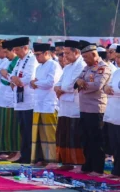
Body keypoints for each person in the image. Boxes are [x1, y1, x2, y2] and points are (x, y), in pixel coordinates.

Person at [75, 41, 111, 176]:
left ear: (93, 54)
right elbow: (77, 80)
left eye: (86, 57)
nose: (84, 60)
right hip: (84, 108)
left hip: (96, 109)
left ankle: (97, 168)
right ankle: (87, 165)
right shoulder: (87, 68)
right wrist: (80, 82)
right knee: (86, 139)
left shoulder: (103, 68)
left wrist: (83, 84)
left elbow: (97, 85)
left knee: (96, 140)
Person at [54, 40, 86, 170]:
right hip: (64, 105)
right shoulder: (67, 67)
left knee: (74, 135)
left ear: (76, 52)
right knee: (64, 134)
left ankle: (77, 163)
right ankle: (66, 162)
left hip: (75, 106)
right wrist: (57, 88)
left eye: (67, 53)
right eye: (63, 53)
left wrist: (61, 88)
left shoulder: (81, 65)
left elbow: (71, 85)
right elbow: (58, 83)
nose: (64, 56)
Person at [30, 43, 63, 166]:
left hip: (50, 104)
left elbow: (50, 83)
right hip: (39, 104)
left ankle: (53, 160)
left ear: (47, 53)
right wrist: (35, 83)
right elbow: (33, 82)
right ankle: (44, 159)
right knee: (41, 134)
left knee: (51, 135)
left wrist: (36, 83)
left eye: (38, 55)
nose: (37, 57)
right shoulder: (38, 68)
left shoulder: (54, 65)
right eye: (35, 55)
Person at [10, 37, 38, 164]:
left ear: (25, 48)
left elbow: (29, 77)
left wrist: (17, 81)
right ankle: (23, 155)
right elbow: (12, 74)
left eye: (17, 50)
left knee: (29, 130)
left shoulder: (32, 59)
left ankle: (30, 156)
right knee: (22, 129)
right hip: (19, 100)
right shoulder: (19, 60)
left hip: (29, 100)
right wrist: (13, 79)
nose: (15, 53)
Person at [0, 40, 20, 161]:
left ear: (13, 51)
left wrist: (5, 75)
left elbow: (12, 78)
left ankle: (15, 151)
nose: (5, 55)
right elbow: (1, 76)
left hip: (13, 99)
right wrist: (4, 75)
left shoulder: (17, 61)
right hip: (5, 98)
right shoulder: (10, 61)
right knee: (6, 127)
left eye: (7, 52)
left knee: (13, 127)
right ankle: (11, 151)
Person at [103, 45, 120, 179]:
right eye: (117, 57)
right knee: (114, 143)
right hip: (113, 113)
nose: (118, 60)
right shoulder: (116, 72)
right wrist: (106, 88)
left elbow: (115, 89)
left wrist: (111, 90)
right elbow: (107, 87)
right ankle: (116, 170)